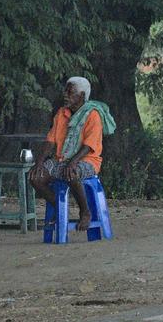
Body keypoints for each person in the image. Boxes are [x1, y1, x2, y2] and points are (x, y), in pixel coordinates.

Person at [29, 76, 115, 231]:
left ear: (82, 96)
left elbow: (89, 146)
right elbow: (50, 141)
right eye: (66, 91)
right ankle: (59, 206)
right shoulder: (62, 113)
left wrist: (73, 162)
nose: (65, 95)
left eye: (70, 92)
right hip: (61, 160)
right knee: (35, 177)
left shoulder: (93, 114)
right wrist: (39, 162)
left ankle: (85, 211)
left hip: (88, 161)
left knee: (72, 172)